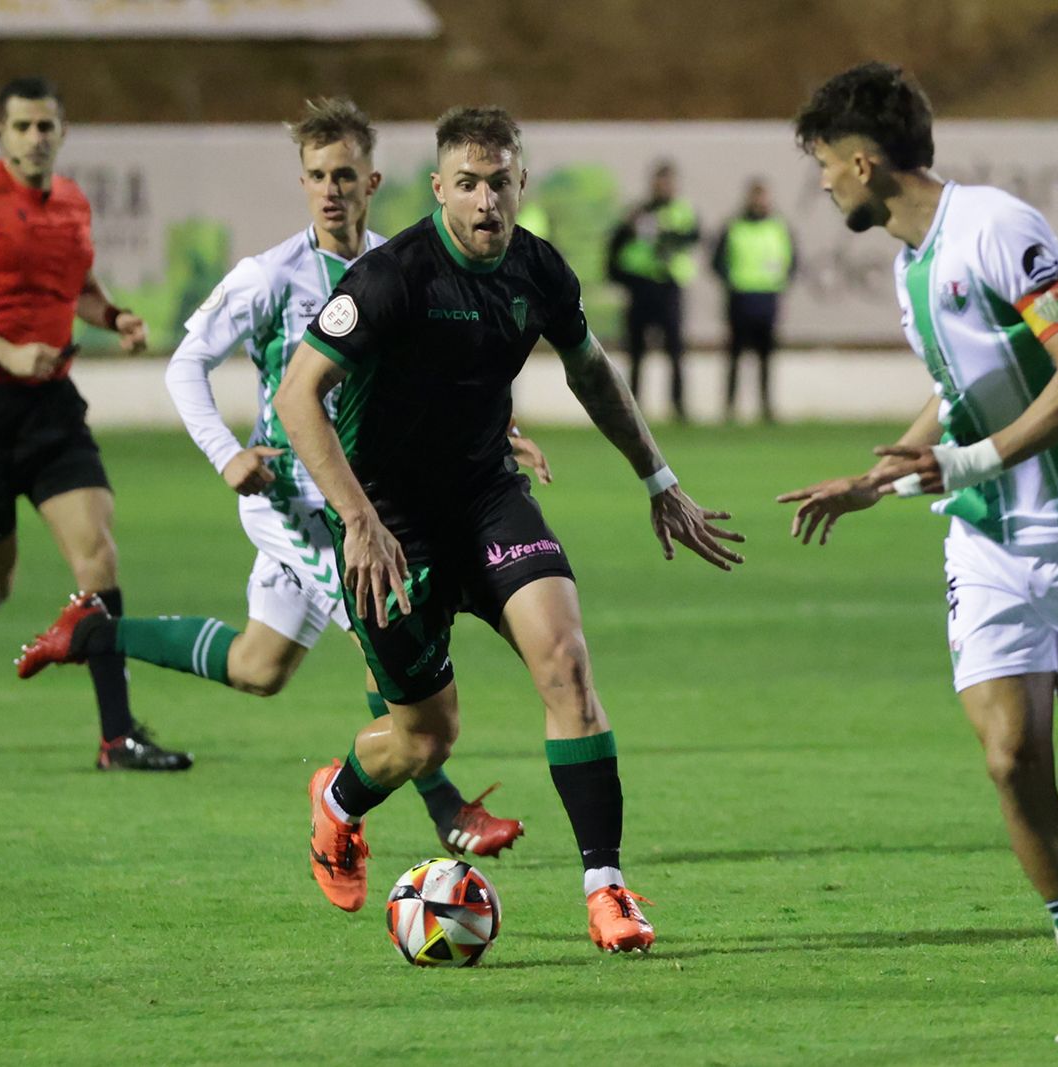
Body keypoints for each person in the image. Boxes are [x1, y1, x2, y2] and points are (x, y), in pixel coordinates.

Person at [272, 106, 744, 949]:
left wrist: (658, 477)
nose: (486, 201)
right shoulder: (391, 278)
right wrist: (358, 518)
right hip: (391, 523)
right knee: (426, 736)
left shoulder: (539, 270)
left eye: (500, 183)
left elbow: (592, 372)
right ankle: (338, 800)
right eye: (468, 185)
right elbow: (294, 394)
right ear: (438, 190)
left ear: (521, 183)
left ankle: (608, 888)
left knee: (566, 662)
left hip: (490, 498)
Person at [14, 99, 528, 856]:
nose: (331, 189)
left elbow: (433, 385)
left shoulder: (399, 268)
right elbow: (187, 364)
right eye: (318, 175)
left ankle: (95, 631)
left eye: (346, 174)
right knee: (380, 624)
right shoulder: (268, 276)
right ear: (303, 182)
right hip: (294, 500)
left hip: (369, 499)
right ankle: (444, 809)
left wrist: (505, 438)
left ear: (374, 180)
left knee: (259, 666)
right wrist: (227, 452)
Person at [778, 63, 1058, 1043]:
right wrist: (878, 478)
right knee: (1005, 756)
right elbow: (964, 390)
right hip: (989, 544)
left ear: (863, 161)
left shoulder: (996, 226)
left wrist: (965, 458)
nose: (822, 184)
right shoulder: (908, 266)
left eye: (824, 164)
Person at [0, 75, 190, 771]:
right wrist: (5, 352)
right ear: (1, 136)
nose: (35, 137)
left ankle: (117, 737)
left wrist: (113, 314)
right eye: (22, 126)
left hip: (54, 407)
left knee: (98, 555)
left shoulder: (72, 203)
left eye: (46, 126)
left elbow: (78, 290)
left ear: (62, 132)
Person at [606, 160, 699, 421]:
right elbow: (617, 245)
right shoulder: (638, 212)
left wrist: (661, 234)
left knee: (675, 350)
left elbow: (690, 236)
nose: (663, 187)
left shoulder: (683, 211)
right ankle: (633, 408)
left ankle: (678, 406)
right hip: (642, 287)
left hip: (669, 286)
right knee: (636, 351)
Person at [711, 178, 796, 422]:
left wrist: (780, 281)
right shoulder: (734, 226)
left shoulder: (779, 226)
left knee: (766, 358)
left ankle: (766, 407)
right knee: (735, 356)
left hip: (768, 298)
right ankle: (729, 407)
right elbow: (717, 261)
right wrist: (731, 280)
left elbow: (792, 260)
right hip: (740, 298)